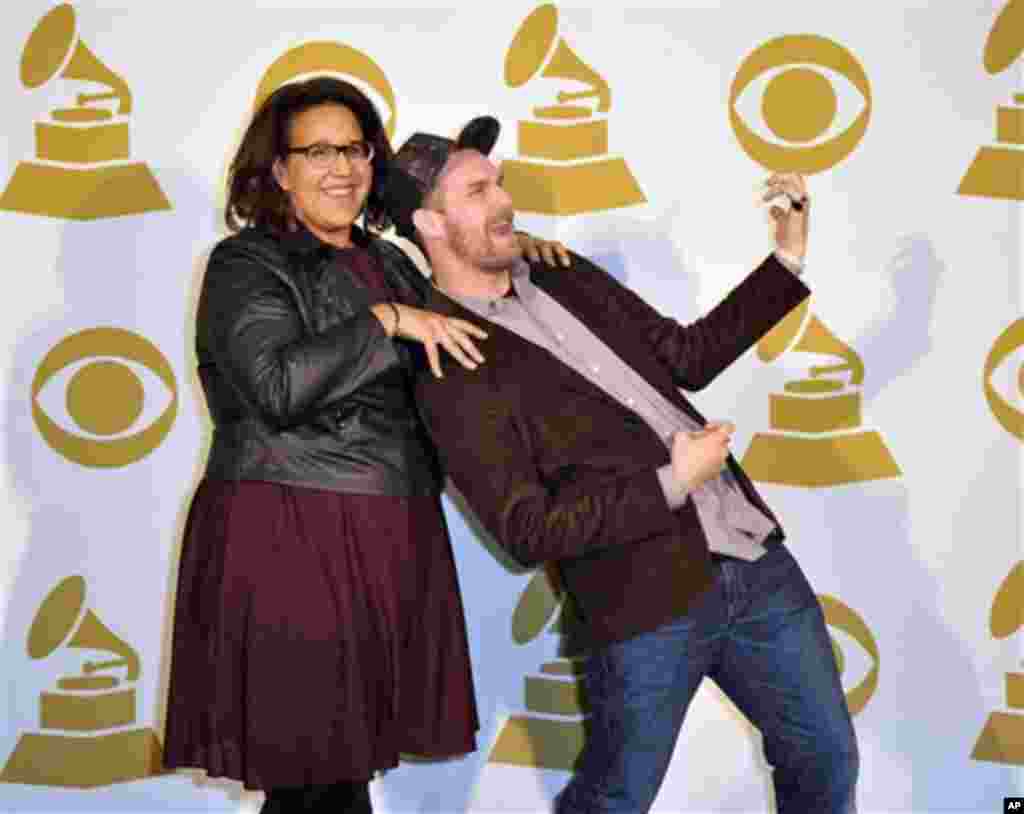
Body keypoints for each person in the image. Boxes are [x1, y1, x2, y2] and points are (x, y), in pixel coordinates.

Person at [384, 116, 859, 813]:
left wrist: (786, 257)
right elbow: (526, 530)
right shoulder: (447, 360)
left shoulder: (561, 270)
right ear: (429, 224)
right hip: (643, 603)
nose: (504, 202)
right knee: (615, 799)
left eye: (500, 184)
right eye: (478, 192)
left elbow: (685, 355)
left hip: (752, 559)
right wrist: (672, 482)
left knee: (827, 759)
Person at [163, 79, 567, 814]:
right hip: (288, 536)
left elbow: (469, 355)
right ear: (279, 170)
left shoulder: (393, 262)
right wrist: (384, 322)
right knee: (314, 780)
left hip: (388, 533)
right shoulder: (244, 264)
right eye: (317, 150)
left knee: (341, 777)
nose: (342, 167)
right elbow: (275, 387)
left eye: (354, 148)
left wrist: (511, 262)